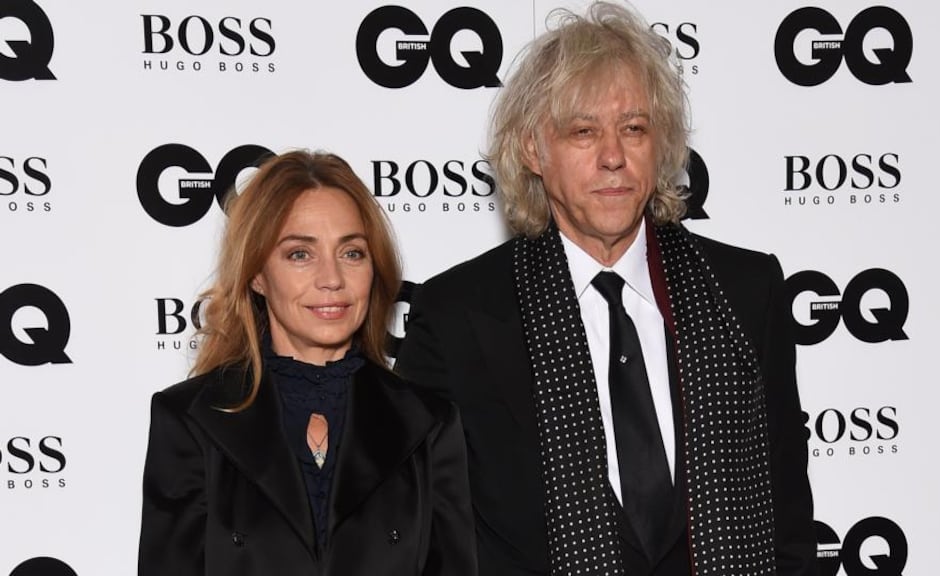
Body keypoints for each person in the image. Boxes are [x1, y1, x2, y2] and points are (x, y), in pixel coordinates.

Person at [396, 3, 816, 576]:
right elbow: (422, 538)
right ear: (531, 150)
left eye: (634, 128)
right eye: (583, 131)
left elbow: (788, 521)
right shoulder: (457, 318)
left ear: (660, 143)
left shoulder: (745, 293)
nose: (613, 156)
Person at [139, 151, 476, 575]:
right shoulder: (191, 421)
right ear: (257, 274)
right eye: (300, 254)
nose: (332, 278)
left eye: (352, 253)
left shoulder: (428, 424)